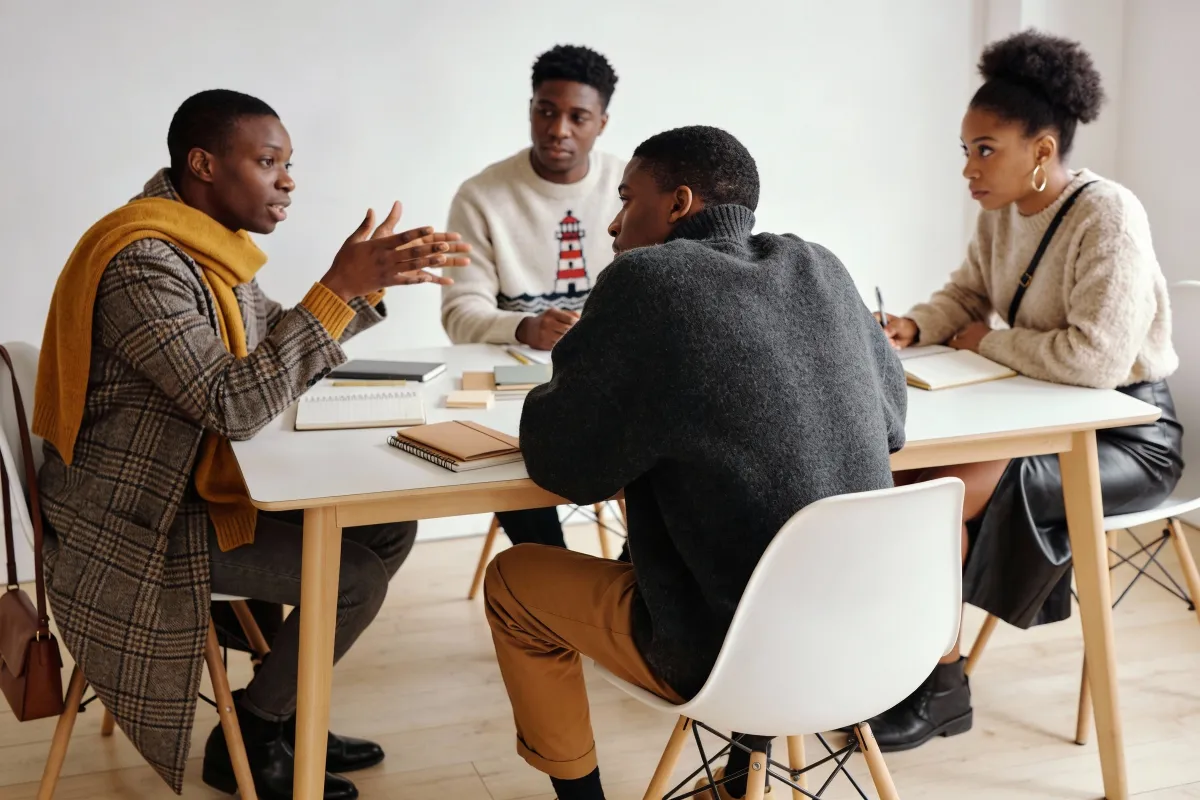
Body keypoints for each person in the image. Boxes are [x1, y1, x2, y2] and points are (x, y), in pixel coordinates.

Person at [34, 89, 469, 799]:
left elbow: (269, 343)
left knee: (387, 526)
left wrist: (357, 290)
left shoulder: (209, 252)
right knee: (352, 578)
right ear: (203, 164)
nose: (289, 180)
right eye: (269, 162)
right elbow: (233, 403)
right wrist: (335, 287)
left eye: (288, 163)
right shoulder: (145, 263)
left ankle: (284, 704)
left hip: (186, 489)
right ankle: (257, 727)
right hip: (140, 522)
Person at [482, 125, 907, 800]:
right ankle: (742, 779)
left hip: (729, 652)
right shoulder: (821, 263)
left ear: (679, 204)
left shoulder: (648, 279)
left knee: (511, 583)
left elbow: (566, 465)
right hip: (881, 635)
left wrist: (567, 370)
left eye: (628, 200)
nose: (615, 224)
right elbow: (892, 423)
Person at [863, 30, 1183, 752]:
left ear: (1041, 151)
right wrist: (914, 326)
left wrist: (985, 341)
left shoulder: (1109, 216)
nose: (970, 168)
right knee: (904, 475)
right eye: (966, 150)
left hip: (1130, 434)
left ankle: (935, 685)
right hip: (1049, 412)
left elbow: (1096, 359)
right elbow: (969, 293)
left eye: (986, 149)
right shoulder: (999, 211)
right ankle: (909, 668)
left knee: (938, 486)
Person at [441, 44, 625, 550]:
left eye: (577, 116)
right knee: (506, 448)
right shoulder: (482, 196)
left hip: (615, 383)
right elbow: (459, 313)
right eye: (546, 111)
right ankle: (550, 579)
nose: (558, 129)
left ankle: (630, 593)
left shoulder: (630, 187)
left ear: (601, 123)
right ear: (530, 109)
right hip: (517, 388)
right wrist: (524, 327)